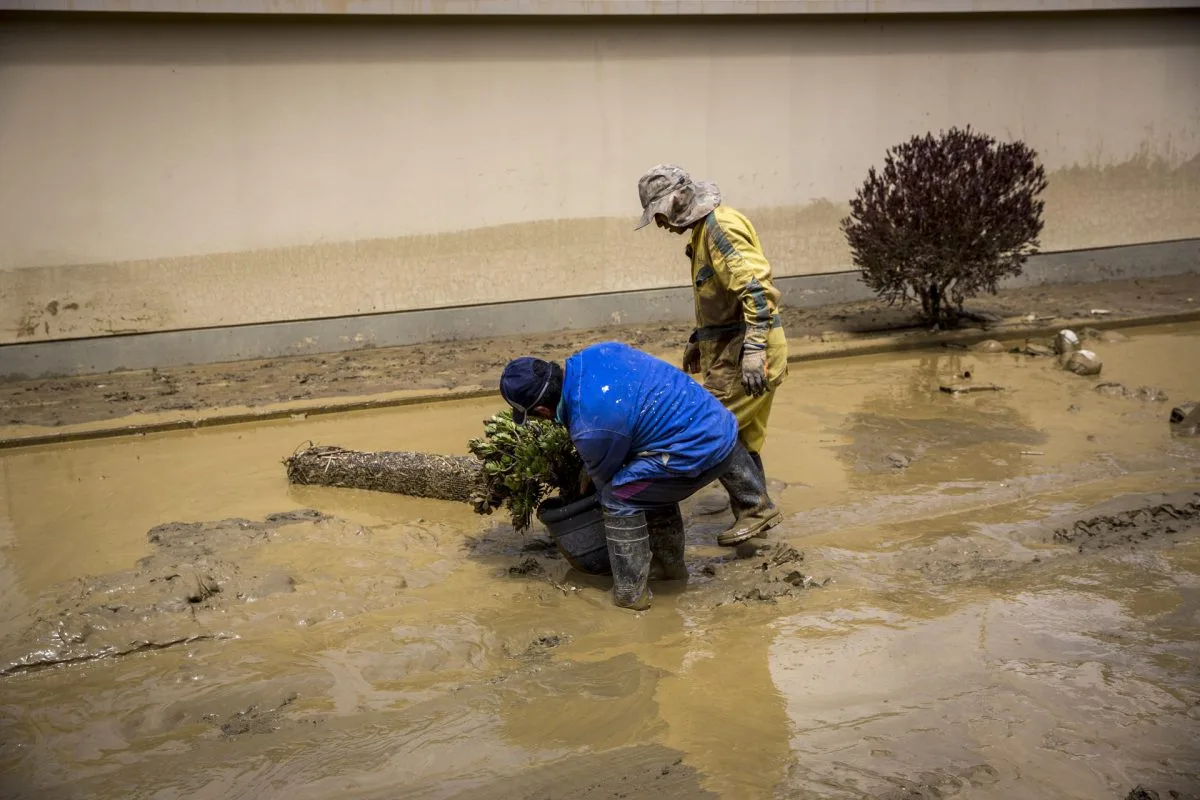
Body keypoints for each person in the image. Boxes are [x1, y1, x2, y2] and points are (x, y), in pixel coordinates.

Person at [499, 341, 781, 611]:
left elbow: (605, 481)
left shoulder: (589, 427)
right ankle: (669, 566)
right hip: (721, 425)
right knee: (645, 480)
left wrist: (592, 473)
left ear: (542, 410)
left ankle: (630, 593)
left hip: (702, 452)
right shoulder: (597, 352)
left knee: (619, 496)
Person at [635, 164, 788, 499]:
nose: (660, 225)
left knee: (706, 429)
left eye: (659, 215)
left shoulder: (721, 228)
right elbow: (724, 299)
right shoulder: (702, 234)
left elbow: (757, 290)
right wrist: (697, 340)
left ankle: (755, 509)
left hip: (745, 354)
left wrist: (754, 350)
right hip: (733, 352)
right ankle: (756, 523)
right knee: (741, 438)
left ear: (677, 202)